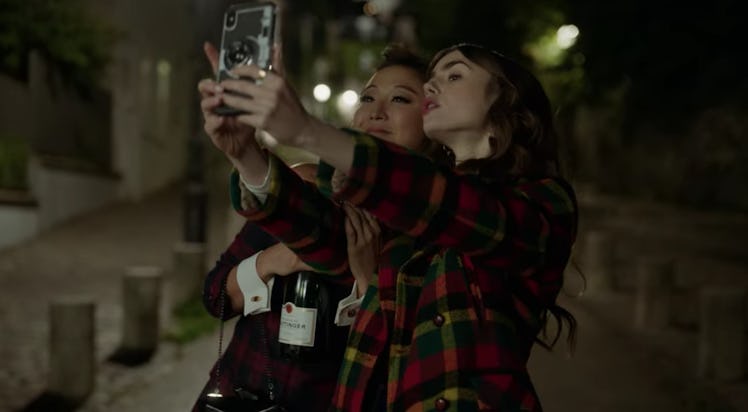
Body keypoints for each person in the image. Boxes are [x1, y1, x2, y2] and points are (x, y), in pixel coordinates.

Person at [203, 42, 578, 411]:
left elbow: (450, 205)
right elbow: (323, 234)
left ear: (508, 107)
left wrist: (305, 131)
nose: (433, 85)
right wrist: (245, 155)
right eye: (432, 78)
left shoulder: (543, 205)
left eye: (454, 75)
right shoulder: (406, 219)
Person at [193, 43, 430, 412]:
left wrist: (367, 281)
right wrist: (272, 260)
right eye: (367, 98)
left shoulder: (424, 235)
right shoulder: (300, 188)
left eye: (400, 99)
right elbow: (215, 297)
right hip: (241, 396)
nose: (376, 112)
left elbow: (404, 369)